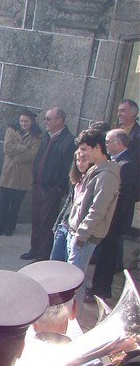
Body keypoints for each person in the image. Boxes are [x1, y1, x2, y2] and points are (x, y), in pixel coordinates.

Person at [65, 129, 120, 311]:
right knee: (70, 282)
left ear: (97, 147)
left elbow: (98, 210)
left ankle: (72, 323)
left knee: (73, 285)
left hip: (84, 237)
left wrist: (80, 236)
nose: (82, 154)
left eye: (84, 149)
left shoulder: (107, 174)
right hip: (77, 233)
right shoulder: (96, 169)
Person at [90, 128, 138, 301]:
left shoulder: (126, 165)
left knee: (107, 256)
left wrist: (109, 218)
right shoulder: (116, 161)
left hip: (114, 221)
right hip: (109, 219)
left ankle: (101, 291)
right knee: (103, 254)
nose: (106, 145)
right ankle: (97, 287)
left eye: (108, 141)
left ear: (119, 143)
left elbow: (123, 197)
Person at [22, 107, 76, 261]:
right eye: (45, 118)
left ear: (59, 121)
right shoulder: (47, 136)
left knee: (47, 223)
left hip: (51, 188)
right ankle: (34, 249)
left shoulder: (68, 140)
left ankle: (42, 254)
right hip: (39, 184)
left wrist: (58, 186)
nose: (45, 122)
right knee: (36, 219)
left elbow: (67, 166)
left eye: (48, 119)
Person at [0, 110, 42, 236]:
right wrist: (24, 148)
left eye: (26, 121)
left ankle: (9, 227)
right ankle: (0, 227)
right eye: (21, 121)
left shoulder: (37, 136)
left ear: (31, 122)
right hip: (8, 172)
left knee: (15, 204)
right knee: (3, 203)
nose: (23, 123)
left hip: (23, 175)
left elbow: (33, 154)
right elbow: (7, 148)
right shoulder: (11, 131)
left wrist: (17, 157)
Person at [50, 149, 91, 262]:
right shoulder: (76, 179)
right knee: (54, 262)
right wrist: (58, 223)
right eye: (78, 160)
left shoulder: (92, 181)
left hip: (76, 230)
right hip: (64, 225)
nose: (80, 163)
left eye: (84, 160)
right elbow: (68, 203)